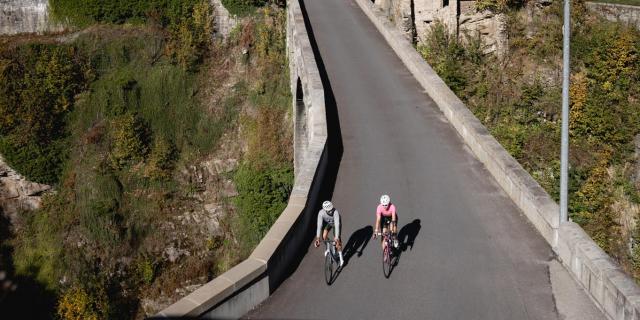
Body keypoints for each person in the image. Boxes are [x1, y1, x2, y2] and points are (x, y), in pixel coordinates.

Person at [314, 200, 344, 267]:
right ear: (324, 210)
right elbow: (319, 225)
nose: (331, 211)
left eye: (331, 209)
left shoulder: (335, 212)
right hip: (329, 223)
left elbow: (337, 224)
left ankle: (341, 258)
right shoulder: (321, 213)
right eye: (329, 210)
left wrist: (336, 237)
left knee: (337, 242)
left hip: (336, 225)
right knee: (324, 236)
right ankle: (328, 248)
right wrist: (318, 238)